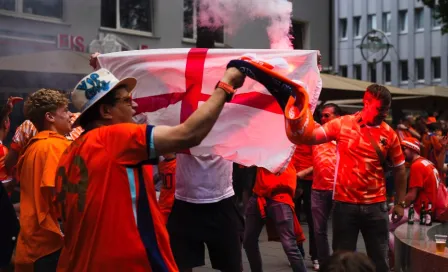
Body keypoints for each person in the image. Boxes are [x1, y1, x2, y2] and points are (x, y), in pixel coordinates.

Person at [55, 65, 246, 271]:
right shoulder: (114, 138)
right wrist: (226, 84)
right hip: (127, 264)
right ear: (105, 111)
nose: (135, 105)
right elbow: (189, 135)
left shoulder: (69, 153)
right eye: (127, 100)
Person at [286, 84, 407, 272]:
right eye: (380, 109)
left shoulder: (389, 134)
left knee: (380, 261)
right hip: (344, 206)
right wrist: (296, 109)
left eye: (386, 109)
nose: (384, 113)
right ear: (366, 103)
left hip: (376, 207)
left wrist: (400, 202)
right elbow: (309, 137)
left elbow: (400, 169)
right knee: (341, 262)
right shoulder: (342, 123)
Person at [15, 89, 74, 272]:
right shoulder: (55, 146)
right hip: (51, 244)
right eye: (64, 110)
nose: (70, 114)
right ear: (50, 117)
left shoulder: (32, 148)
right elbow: (61, 198)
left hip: (31, 242)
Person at [243, 160, 307, 272]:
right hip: (258, 195)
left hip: (280, 197)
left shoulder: (287, 147)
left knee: (289, 245)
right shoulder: (261, 149)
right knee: (248, 241)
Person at [311, 103, 341, 266]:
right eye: (321, 115)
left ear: (337, 117)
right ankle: (324, 264)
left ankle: (340, 264)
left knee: (341, 231)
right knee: (318, 231)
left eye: (327, 115)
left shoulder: (345, 134)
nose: (323, 118)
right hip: (318, 190)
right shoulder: (317, 132)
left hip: (339, 190)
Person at [157, 153, 177, 224]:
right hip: (163, 201)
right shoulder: (161, 164)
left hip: (174, 203)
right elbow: (159, 178)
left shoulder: (179, 163)